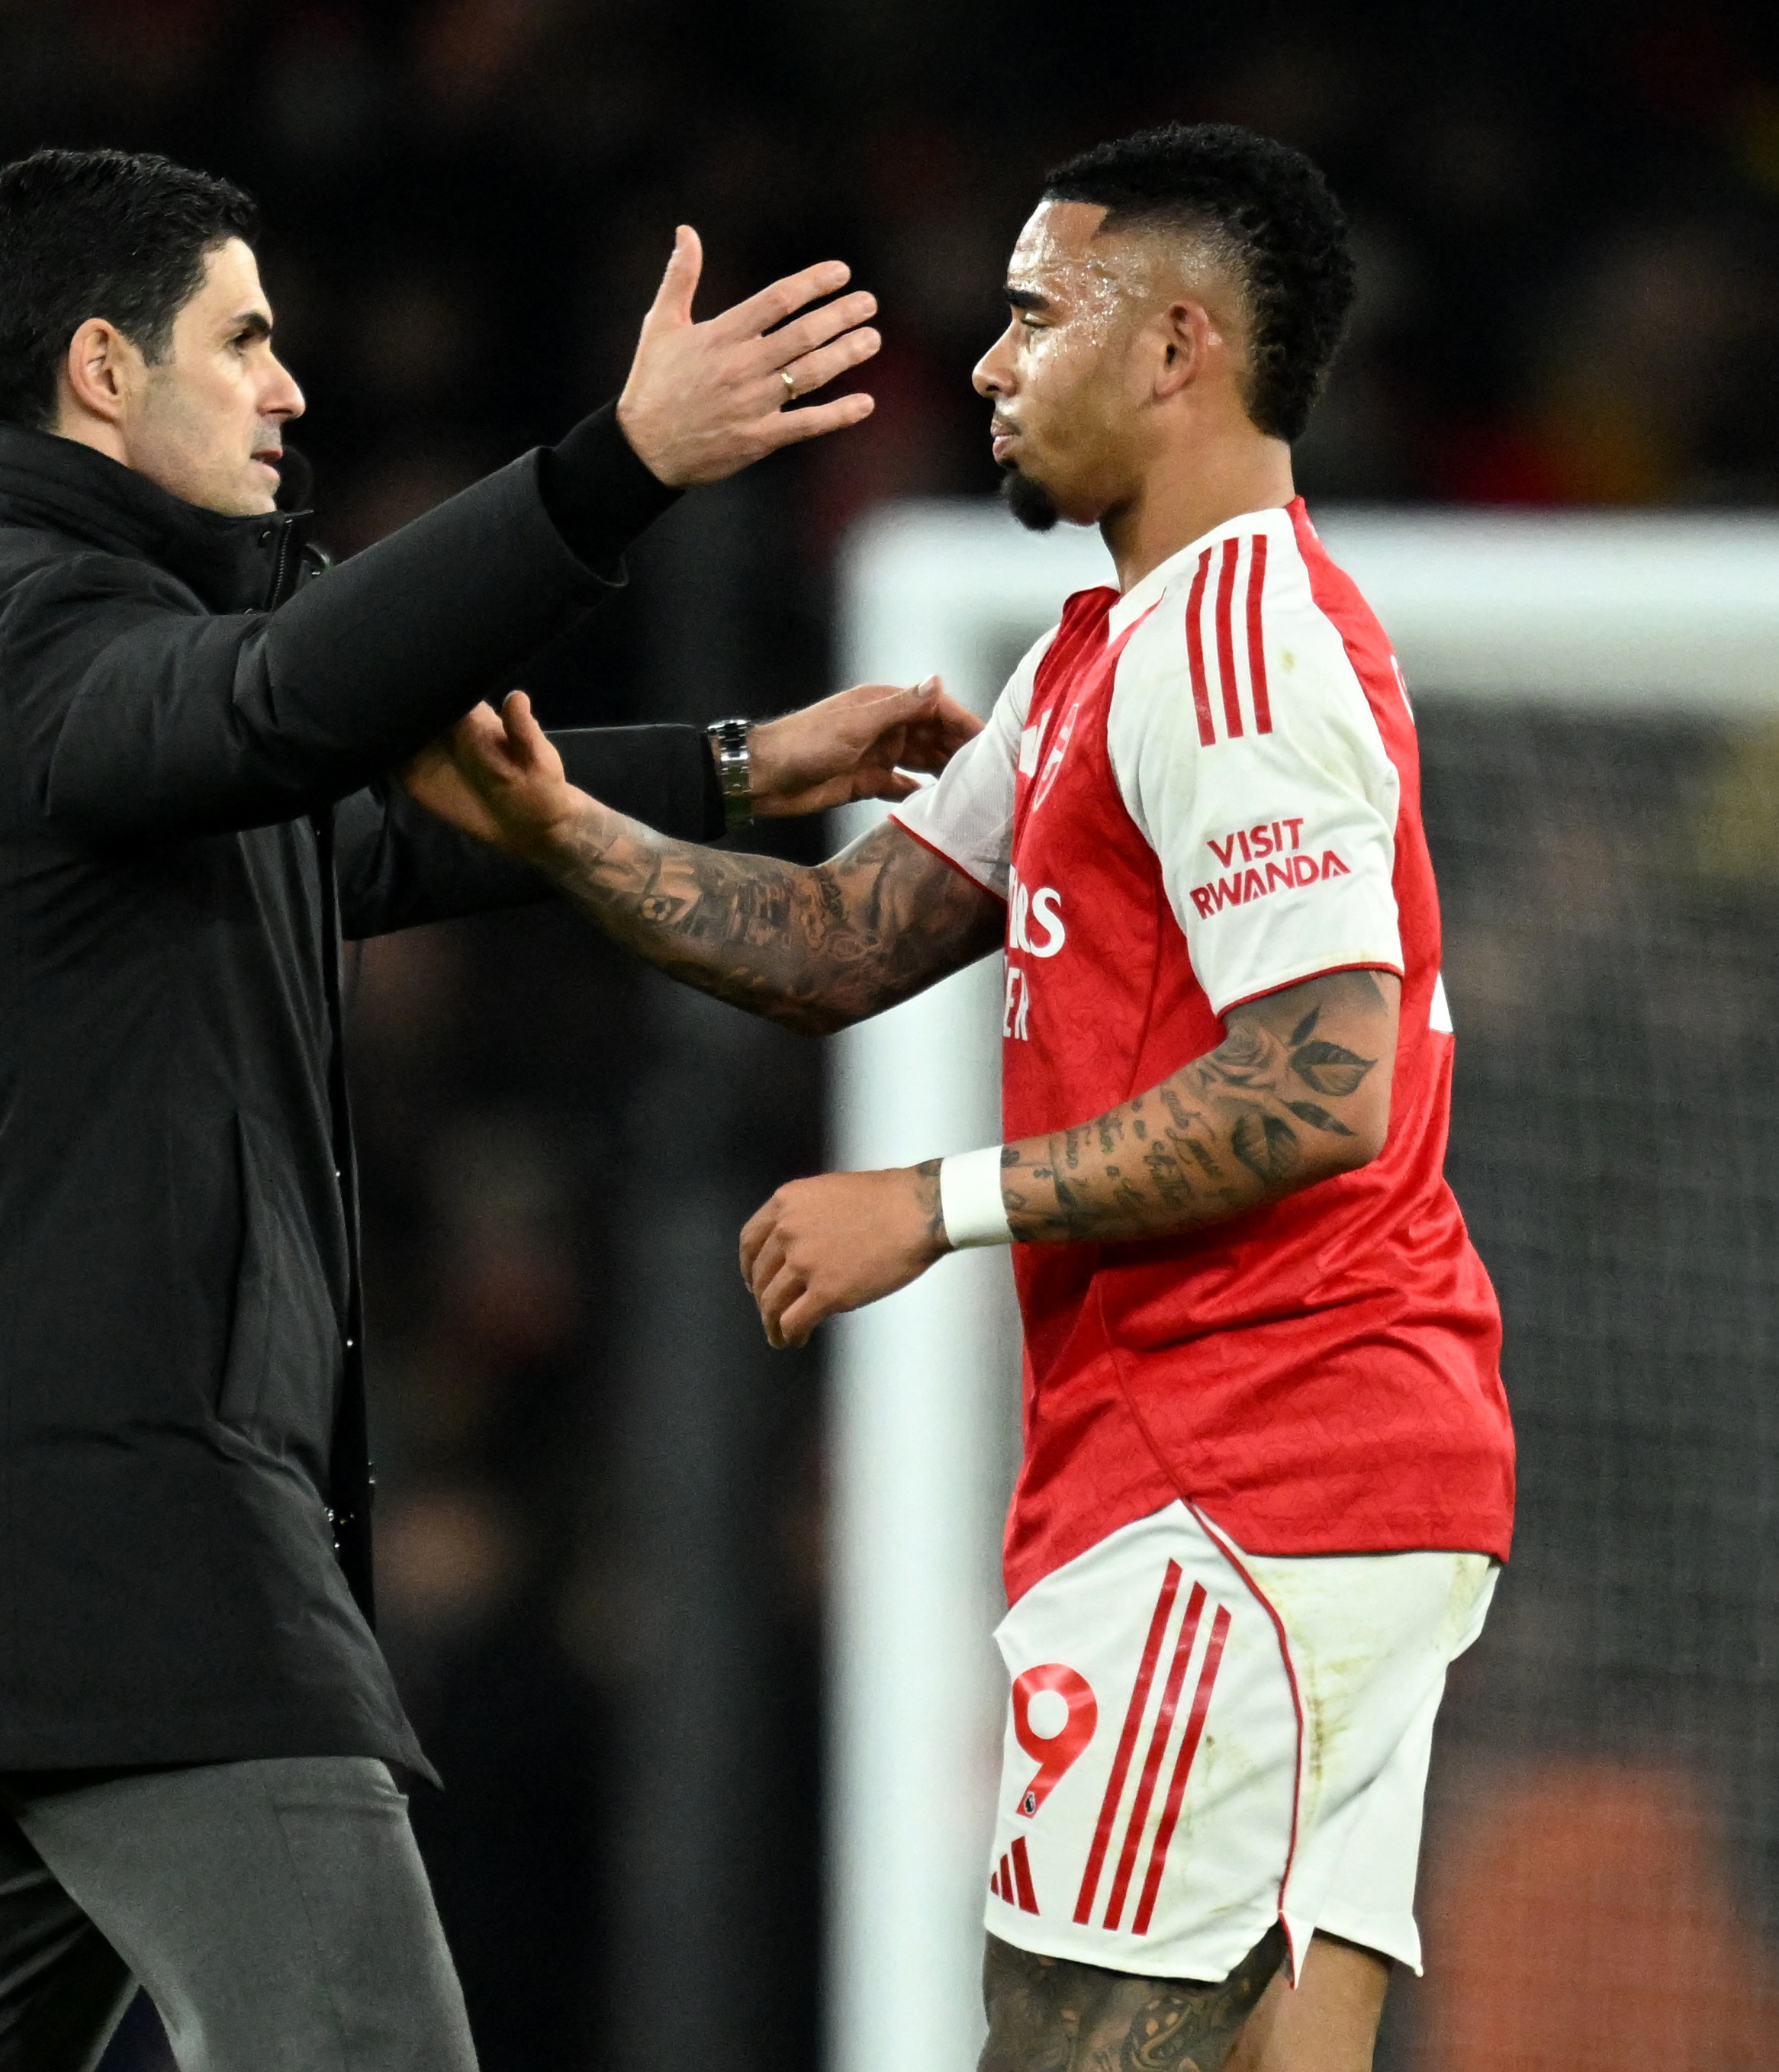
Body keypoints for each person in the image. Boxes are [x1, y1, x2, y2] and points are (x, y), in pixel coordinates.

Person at [0, 147, 971, 2072]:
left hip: (30, 1541)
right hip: (134, 1543)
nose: (288, 387)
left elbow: (367, 833)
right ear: (102, 369)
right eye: (242, 340)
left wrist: (738, 763)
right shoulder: (14, 657)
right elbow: (294, 701)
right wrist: (614, 464)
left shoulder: (104, 677)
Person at [417, 123, 1516, 2072]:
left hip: (1244, 1473)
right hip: (1303, 1475)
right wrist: (565, 830)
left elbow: (1322, 1078)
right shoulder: (1109, 650)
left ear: (1174, 347)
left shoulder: (1234, 653)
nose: (990, 362)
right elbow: (842, 940)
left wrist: (931, 1200)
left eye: (1033, 314)